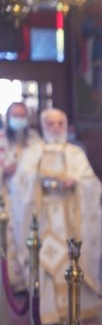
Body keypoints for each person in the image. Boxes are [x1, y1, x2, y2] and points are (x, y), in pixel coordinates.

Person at [10, 109, 102, 325]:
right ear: (43, 126)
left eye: (60, 123)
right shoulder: (33, 152)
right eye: (51, 124)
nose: (56, 128)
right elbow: (20, 182)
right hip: (42, 219)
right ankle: (48, 310)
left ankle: (77, 309)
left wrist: (76, 182)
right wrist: (37, 181)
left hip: (71, 218)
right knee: (44, 260)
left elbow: (91, 183)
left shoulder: (75, 153)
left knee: (73, 258)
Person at [1, 102, 40, 289]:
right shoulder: (1, 139)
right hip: (6, 198)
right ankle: (8, 282)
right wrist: (4, 171)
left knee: (27, 237)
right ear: (8, 118)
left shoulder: (36, 141)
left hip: (29, 201)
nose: (19, 119)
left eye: (22, 116)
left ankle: (29, 281)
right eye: (15, 116)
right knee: (8, 239)